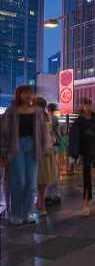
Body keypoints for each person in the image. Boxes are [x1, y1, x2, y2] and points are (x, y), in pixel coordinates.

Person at [0, 86, 50, 224]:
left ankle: (28, 212)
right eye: (25, 93)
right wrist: (3, 152)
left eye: (30, 93)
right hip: (16, 147)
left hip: (33, 147)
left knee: (31, 182)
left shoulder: (38, 111)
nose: (28, 95)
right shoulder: (11, 111)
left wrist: (45, 147)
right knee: (19, 181)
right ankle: (16, 214)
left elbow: (44, 131)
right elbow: (3, 133)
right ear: (19, 94)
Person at [69, 97, 95, 215]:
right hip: (82, 149)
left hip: (91, 149)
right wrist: (73, 154)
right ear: (82, 106)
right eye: (85, 105)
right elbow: (73, 137)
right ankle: (86, 202)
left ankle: (86, 202)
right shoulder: (78, 121)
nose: (87, 107)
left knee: (87, 174)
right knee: (86, 174)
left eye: (89, 105)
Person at [35, 98, 58, 216]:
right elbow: (52, 135)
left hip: (44, 151)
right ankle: (41, 201)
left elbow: (50, 135)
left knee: (42, 179)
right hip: (45, 151)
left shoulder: (45, 118)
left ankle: (41, 202)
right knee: (42, 179)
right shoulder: (46, 117)